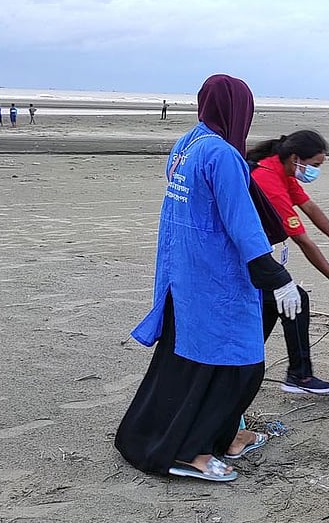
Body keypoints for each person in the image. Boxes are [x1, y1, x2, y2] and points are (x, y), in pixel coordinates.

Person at [115, 74, 300, 483]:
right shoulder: (222, 155)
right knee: (239, 364)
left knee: (187, 357)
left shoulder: (187, 145)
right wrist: (276, 276)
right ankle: (189, 452)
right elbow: (242, 223)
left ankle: (229, 437)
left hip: (185, 270)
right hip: (216, 276)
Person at [247, 130, 329, 394]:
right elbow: (303, 240)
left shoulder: (281, 169)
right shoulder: (268, 180)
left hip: (255, 253)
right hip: (246, 257)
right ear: (295, 159)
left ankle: (251, 370)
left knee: (273, 307)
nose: (316, 171)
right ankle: (299, 377)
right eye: (315, 165)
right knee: (292, 300)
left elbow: (310, 207)